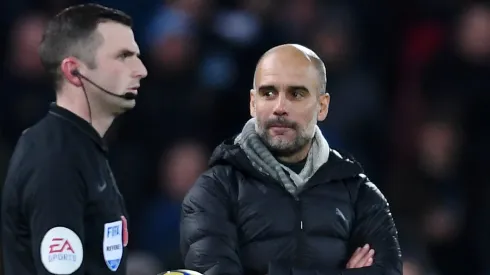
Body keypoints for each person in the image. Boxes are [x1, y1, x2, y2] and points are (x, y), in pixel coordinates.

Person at [180, 44, 402, 275]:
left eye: (296, 94)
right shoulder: (215, 190)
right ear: (253, 103)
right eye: (268, 93)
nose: (280, 107)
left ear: (322, 106)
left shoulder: (359, 193)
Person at [1, 3, 147, 275]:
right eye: (123, 56)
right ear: (74, 72)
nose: (141, 70)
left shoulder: (84, 147)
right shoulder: (55, 160)